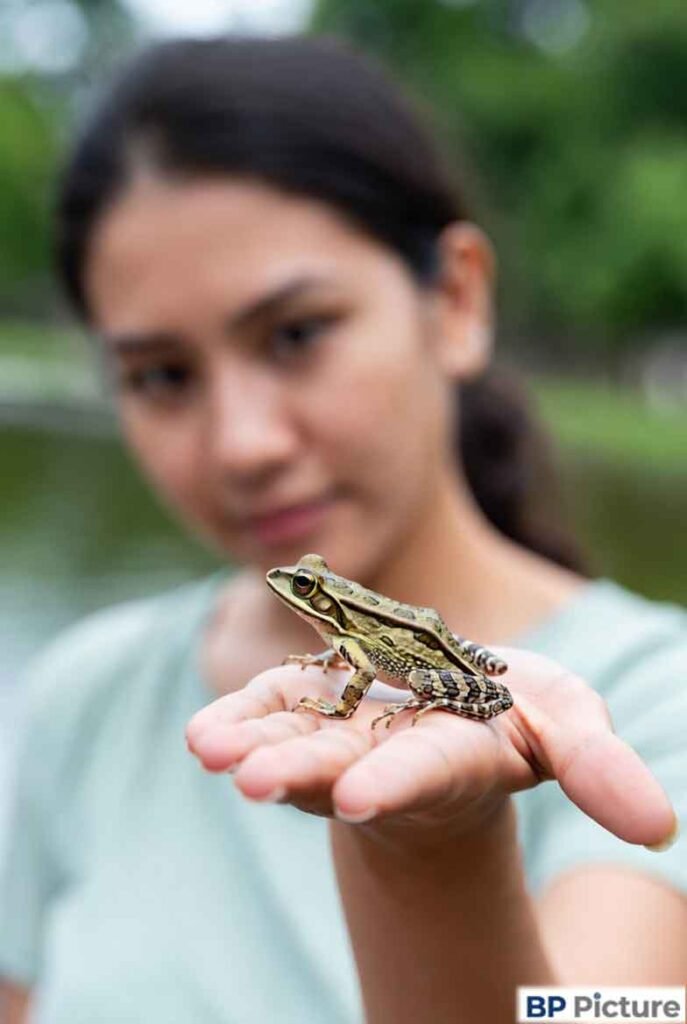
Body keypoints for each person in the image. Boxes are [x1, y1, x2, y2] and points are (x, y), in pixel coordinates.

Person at [1, 34, 685, 1024]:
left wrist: (436, 850)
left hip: (451, 672)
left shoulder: (651, 703)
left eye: (297, 334)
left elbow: (622, 1015)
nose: (243, 444)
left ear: (453, 299)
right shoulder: (82, 698)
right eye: (161, 375)